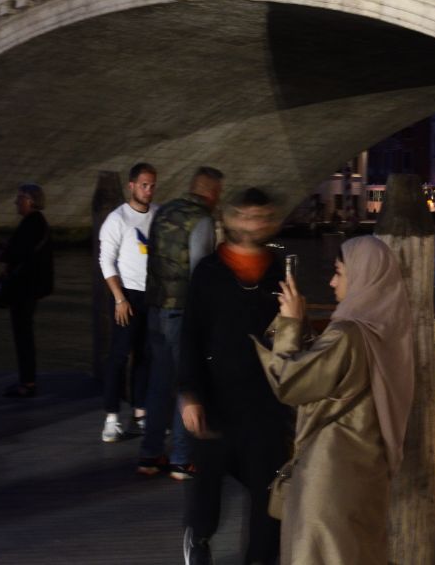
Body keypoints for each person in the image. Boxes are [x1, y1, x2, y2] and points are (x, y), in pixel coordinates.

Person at [255, 233, 413, 565]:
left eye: (339, 272)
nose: (331, 282)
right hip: (367, 474)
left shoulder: (348, 334)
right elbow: (334, 376)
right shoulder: (387, 333)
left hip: (329, 476)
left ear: (361, 276)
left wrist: (288, 325)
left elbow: (291, 383)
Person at [179, 188, 292, 565]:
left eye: (260, 216)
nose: (252, 224)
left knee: (268, 485)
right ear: (229, 218)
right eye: (244, 215)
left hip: (266, 400)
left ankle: (260, 558)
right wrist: (190, 393)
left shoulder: (278, 272)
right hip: (216, 395)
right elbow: (191, 334)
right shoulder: (209, 272)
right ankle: (200, 538)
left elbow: (290, 336)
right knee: (209, 479)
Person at [142, 166, 224, 478]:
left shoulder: (164, 212)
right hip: (182, 312)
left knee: (159, 382)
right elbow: (201, 271)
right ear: (212, 192)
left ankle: (149, 456)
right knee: (186, 382)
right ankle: (180, 457)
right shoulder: (201, 220)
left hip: (155, 308)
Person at [98, 161, 158, 442]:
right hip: (128, 295)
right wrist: (119, 298)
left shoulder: (158, 215)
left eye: (152, 185)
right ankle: (112, 417)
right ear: (131, 185)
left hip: (152, 295)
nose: (149, 190)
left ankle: (140, 413)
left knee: (146, 356)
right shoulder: (117, 219)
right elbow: (106, 261)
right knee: (119, 355)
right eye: (144, 185)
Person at [0, 183, 53, 397]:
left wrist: (3, 255)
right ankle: (27, 379)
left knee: (23, 334)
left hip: (24, 287)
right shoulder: (38, 223)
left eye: (19, 198)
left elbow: (18, 252)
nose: (16, 202)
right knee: (24, 333)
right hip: (32, 286)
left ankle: (27, 381)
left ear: (29, 201)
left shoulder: (31, 223)